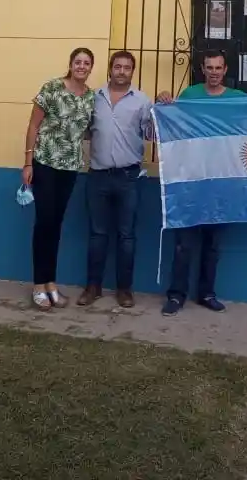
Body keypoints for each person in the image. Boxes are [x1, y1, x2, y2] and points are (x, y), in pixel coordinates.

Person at [156, 50, 247, 316]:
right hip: (191, 183)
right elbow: (172, 122)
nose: (214, 72)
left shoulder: (238, 99)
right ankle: (176, 296)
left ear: (225, 69)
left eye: (219, 67)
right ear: (202, 69)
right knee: (184, 244)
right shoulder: (189, 95)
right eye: (209, 67)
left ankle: (206, 293)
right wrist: (164, 100)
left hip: (222, 183)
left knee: (212, 245)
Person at [21, 47, 96, 311]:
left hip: (70, 168)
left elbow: (86, 131)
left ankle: (51, 283)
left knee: (56, 224)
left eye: (87, 63)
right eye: (78, 62)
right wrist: (28, 161)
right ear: (71, 64)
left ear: (91, 68)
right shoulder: (52, 88)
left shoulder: (89, 97)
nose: (82, 66)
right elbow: (33, 125)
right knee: (44, 224)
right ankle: (39, 286)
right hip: (45, 165)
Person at [78, 50, 152, 310]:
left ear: (133, 71)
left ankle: (124, 290)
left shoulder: (142, 101)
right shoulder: (93, 98)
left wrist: (164, 111)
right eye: (117, 67)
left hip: (128, 178)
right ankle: (93, 287)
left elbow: (151, 134)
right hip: (97, 176)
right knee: (97, 234)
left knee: (126, 236)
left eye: (127, 67)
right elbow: (84, 130)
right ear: (110, 69)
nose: (122, 71)